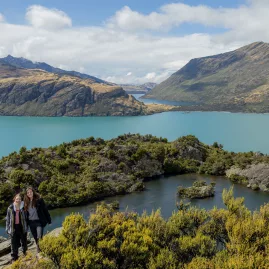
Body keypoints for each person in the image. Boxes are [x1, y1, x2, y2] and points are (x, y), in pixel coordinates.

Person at [24, 186, 51, 252]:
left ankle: (39, 250)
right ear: (27, 194)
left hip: (39, 221)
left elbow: (45, 210)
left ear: (33, 192)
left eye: (30, 192)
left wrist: (49, 220)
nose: (29, 193)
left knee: (39, 236)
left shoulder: (39, 200)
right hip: (31, 223)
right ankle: (40, 247)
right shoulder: (26, 202)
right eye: (28, 193)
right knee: (35, 237)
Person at [6, 193, 28, 262]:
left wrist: (26, 226)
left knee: (24, 241)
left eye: (19, 199)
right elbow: (8, 219)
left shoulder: (23, 207)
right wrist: (7, 229)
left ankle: (25, 253)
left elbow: (27, 217)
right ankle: (14, 257)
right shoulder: (10, 208)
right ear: (14, 199)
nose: (18, 200)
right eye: (17, 199)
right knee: (13, 243)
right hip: (13, 228)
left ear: (21, 200)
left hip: (22, 227)